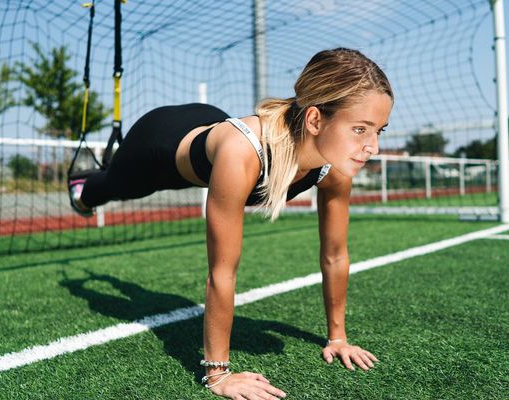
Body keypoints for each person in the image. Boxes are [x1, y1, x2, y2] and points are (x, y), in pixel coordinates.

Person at [68, 48, 393, 399]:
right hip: (158, 145)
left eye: (379, 131)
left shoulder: (334, 167)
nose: (372, 146)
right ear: (314, 120)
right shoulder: (244, 152)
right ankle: (84, 187)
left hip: (210, 127)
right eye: (361, 129)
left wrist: (338, 338)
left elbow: (335, 255)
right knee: (112, 188)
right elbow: (221, 272)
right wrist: (218, 375)